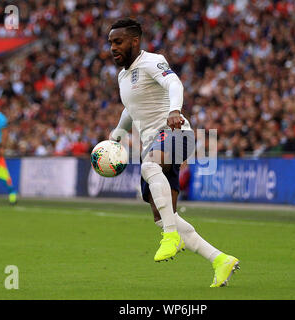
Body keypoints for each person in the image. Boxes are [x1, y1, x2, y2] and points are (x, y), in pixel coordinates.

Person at [108, 18, 239, 287]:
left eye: (118, 41)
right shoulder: (123, 75)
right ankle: (220, 259)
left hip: (176, 134)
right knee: (163, 215)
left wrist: (174, 110)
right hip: (153, 144)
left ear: (135, 41)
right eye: (110, 42)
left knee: (148, 167)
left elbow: (174, 84)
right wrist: (118, 134)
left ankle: (171, 237)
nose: (112, 47)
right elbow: (130, 109)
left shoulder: (152, 61)